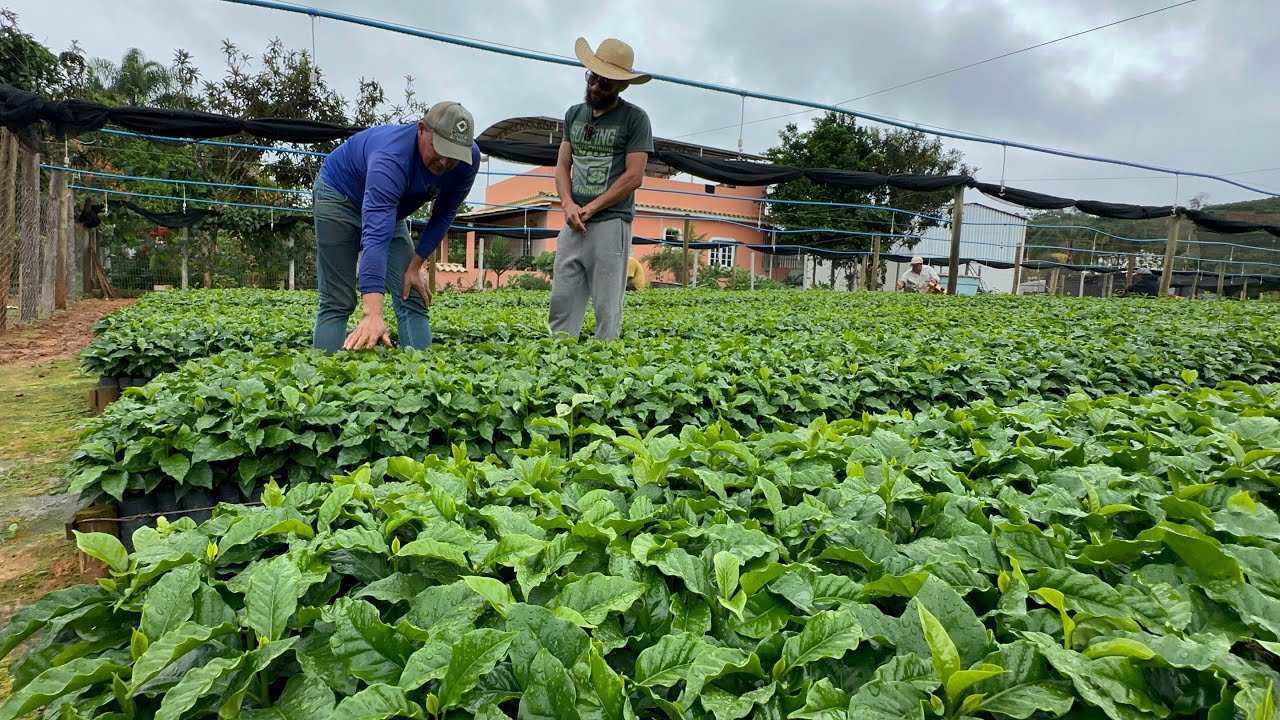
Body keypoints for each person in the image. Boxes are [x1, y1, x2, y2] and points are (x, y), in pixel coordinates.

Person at [312, 101, 480, 351]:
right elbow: (376, 238)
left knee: (411, 293)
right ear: (421, 130)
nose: (445, 162)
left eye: (454, 155)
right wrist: (372, 314)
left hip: (390, 208)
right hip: (339, 196)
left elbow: (444, 213)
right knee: (338, 300)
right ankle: (322, 383)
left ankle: (422, 381)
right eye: (440, 148)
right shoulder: (391, 157)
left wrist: (415, 266)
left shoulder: (467, 162)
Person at [548, 36, 654, 340]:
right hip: (573, 220)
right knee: (563, 297)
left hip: (611, 221)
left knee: (607, 305)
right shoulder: (574, 115)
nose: (595, 86)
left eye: (605, 83)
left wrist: (592, 207)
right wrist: (568, 204)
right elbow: (562, 166)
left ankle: (605, 367)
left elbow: (634, 176)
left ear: (621, 85)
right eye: (592, 77)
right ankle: (559, 359)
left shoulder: (635, 119)